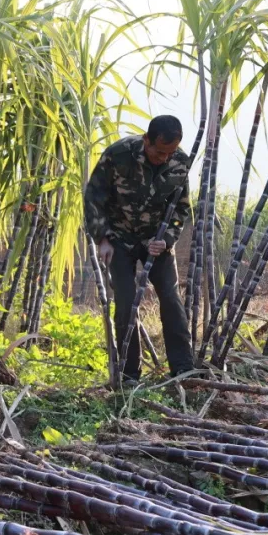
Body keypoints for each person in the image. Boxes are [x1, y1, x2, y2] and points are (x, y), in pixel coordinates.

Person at [84, 115, 194, 382]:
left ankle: (183, 369)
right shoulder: (118, 155)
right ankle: (129, 373)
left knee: (170, 297)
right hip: (119, 239)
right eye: (159, 152)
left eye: (170, 153)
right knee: (126, 301)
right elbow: (94, 197)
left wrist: (167, 239)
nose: (164, 158)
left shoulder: (180, 162)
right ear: (146, 140)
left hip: (155, 242)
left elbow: (181, 208)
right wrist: (103, 239)